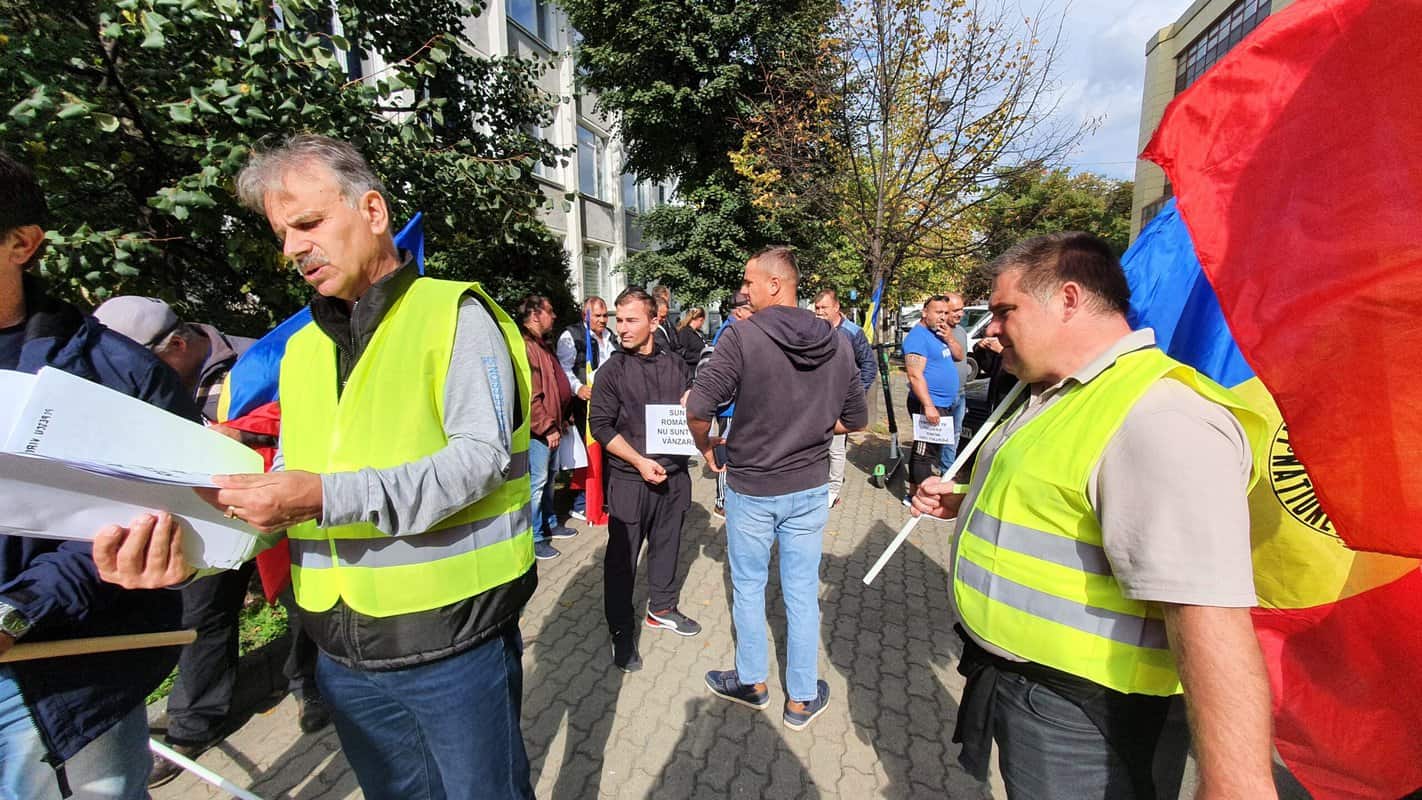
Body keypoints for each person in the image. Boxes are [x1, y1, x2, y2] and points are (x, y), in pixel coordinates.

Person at [95, 134, 540, 800]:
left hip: (453, 645)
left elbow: (477, 463)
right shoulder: (297, 351)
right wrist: (193, 546)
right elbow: (285, 495)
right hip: (341, 654)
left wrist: (324, 497)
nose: (292, 248)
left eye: (307, 223)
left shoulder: (455, 314)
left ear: (373, 211)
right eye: (282, 233)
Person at [910, 232, 1276, 799]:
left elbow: (1209, 616)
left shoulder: (1157, 417)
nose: (990, 329)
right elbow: (1057, 500)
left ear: (1069, 299)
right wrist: (965, 498)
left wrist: (1234, 783)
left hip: (1088, 721)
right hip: (1034, 695)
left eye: (1005, 310)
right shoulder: (1053, 392)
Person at [0, 150, 197, 799]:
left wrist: (17, 611)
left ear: (23, 244)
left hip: (63, 684)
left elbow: (153, 515)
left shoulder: (119, 377)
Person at [93, 297, 327, 787]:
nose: (129, 375)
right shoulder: (133, 378)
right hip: (200, 519)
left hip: (271, 509)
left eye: (142, 365)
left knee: (301, 603)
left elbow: (313, 416)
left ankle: (313, 688)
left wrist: (243, 435)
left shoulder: (263, 360)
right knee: (201, 615)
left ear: (176, 344)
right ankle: (194, 723)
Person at [687, 246, 867, 732]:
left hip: (752, 485)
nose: (743, 290)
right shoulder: (840, 342)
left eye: (749, 282)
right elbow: (855, 419)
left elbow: (698, 407)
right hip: (808, 487)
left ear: (775, 285)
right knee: (802, 591)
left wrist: (708, 450)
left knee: (748, 585)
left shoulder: (742, 336)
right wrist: (807, 430)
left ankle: (753, 682)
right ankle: (802, 699)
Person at [589, 288, 701, 672]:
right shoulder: (611, 372)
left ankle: (663, 607)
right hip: (630, 481)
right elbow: (600, 426)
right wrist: (638, 461)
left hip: (674, 477)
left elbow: (691, 405)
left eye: (631, 319)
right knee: (622, 560)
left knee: (667, 546)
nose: (621, 328)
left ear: (655, 322)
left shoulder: (676, 365)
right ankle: (620, 630)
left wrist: (692, 401)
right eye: (618, 320)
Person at [520, 294, 579, 560]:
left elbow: (555, 385)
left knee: (549, 480)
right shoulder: (527, 346)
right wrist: (547, 427)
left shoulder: (542, 344)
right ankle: (536, 537)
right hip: (540, 432)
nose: (554, 316)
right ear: (535, 315)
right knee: (538, 483)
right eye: (549, 311)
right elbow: (532, 394)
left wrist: (563, 418)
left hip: (553, 425)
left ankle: (550, 523)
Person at [811, 289, 878, 507]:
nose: (819, 312)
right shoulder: (813, 330)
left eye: (824, 308)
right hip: (817, 399)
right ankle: (819, 482)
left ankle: (833, 490)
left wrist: (856, 393)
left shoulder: (852, 332)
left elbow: (868, 365)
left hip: (841, 400)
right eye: (817, 308)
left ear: (837, 307)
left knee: (836, 447)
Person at [555, 296, 616, 521]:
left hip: (608, 405)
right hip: (582, 407)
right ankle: (582, 503)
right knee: (586, 455)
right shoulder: (571, 336)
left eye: (605, 315)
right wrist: (578, 387)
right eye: (597, 316)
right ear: (585, 315)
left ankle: (603, 498)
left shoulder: (611, 337)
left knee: (607, 452)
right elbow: (563, 368)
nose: (602, 320)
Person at [901, 294, 960, 504]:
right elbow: (915, 375)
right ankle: (918, 497)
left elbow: (960, 356)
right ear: (925, 312)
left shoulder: (939, 334)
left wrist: (950, 338)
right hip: (929, 403)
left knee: (929, 450)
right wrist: (928, 405)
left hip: (943, 403)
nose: (942, 317)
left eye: (946, 313)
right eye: (938, 312)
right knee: (923, 453)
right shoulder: (917, 337)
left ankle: (918, 491)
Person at [703, 292, 753, 519]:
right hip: (730, 407)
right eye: (751, 310)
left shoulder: (734, 329)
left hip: (735, 405)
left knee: (733, 451)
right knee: (726, 453)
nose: (754, 314)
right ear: (739, 311)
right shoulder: (729, 332)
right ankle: (721, 502)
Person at [939, 291, 970, 464]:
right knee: (939, 436)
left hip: (961, 393)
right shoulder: (936, 333)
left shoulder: (962, 332)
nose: (961, 314)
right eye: (956, 310)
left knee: (955, 433)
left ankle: (946, 470)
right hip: (942, 396)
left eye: (962, 309)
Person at [674, 306, 707, 372]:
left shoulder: (698, 332)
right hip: (689, 371)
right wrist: (700, 356)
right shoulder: (684, 332)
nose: (703, 324)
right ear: (700, 319)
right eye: (703, 321)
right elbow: (682, 353)